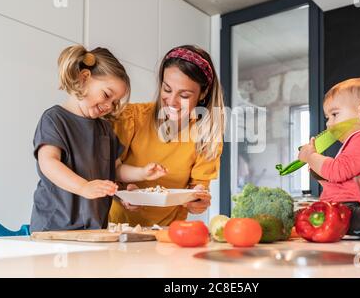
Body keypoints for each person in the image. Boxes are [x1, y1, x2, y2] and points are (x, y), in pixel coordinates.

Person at [30, 45, 166, 232]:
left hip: (93, 230)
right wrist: (83, 187)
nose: (109, 106)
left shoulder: (105, 129)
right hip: (54, 228)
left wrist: (141, 174)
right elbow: (48, 163)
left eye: (115, 102)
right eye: (107, 95)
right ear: (84, 78)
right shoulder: (54, 119)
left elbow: (116, 169)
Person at [109, 45, 225, 227]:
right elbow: (106, 171)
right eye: (167, 89)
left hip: (166, 233)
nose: (172, 102)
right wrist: (124, 191)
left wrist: (198, 200)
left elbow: (198, 188)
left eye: (184, 95)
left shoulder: (206, 136)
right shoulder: (132, 118)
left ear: (203, 94)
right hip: (115, 228)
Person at [298, 77, 360, 237]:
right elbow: (338, 179)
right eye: (327, 118)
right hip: (343, 207)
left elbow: (338, 171)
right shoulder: (355, 142)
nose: (329, 124)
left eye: (334, 114)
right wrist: (316, 166)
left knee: (353, 216)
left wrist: (311, 156)